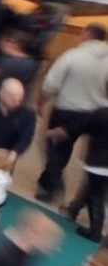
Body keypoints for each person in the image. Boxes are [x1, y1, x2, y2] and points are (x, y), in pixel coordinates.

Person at [39, 23, 108, 208]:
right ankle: (80, 197)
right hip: (96, 113)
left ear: (86, 34)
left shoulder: (72, 55)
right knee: (94, 156)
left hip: (66, 110)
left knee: (55, 148)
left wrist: (41, 102)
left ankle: (53, 187)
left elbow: (50, 84)